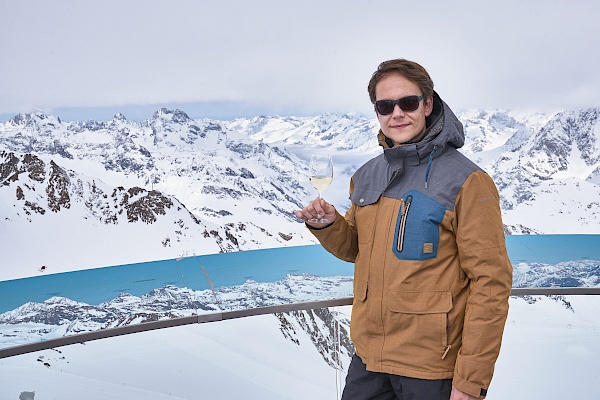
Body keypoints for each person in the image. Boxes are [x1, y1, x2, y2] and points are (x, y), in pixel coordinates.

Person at [296, 59, 512, 400]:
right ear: (377, 112)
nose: (396, 113)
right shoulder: (367, 174)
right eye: (385, 106)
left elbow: (491, 283)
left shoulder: (468, 182)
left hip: (431, 371)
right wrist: (329, 226)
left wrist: (470, 383)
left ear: (427, 103)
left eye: (407, 102)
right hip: (368, 361)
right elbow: (356, 248)